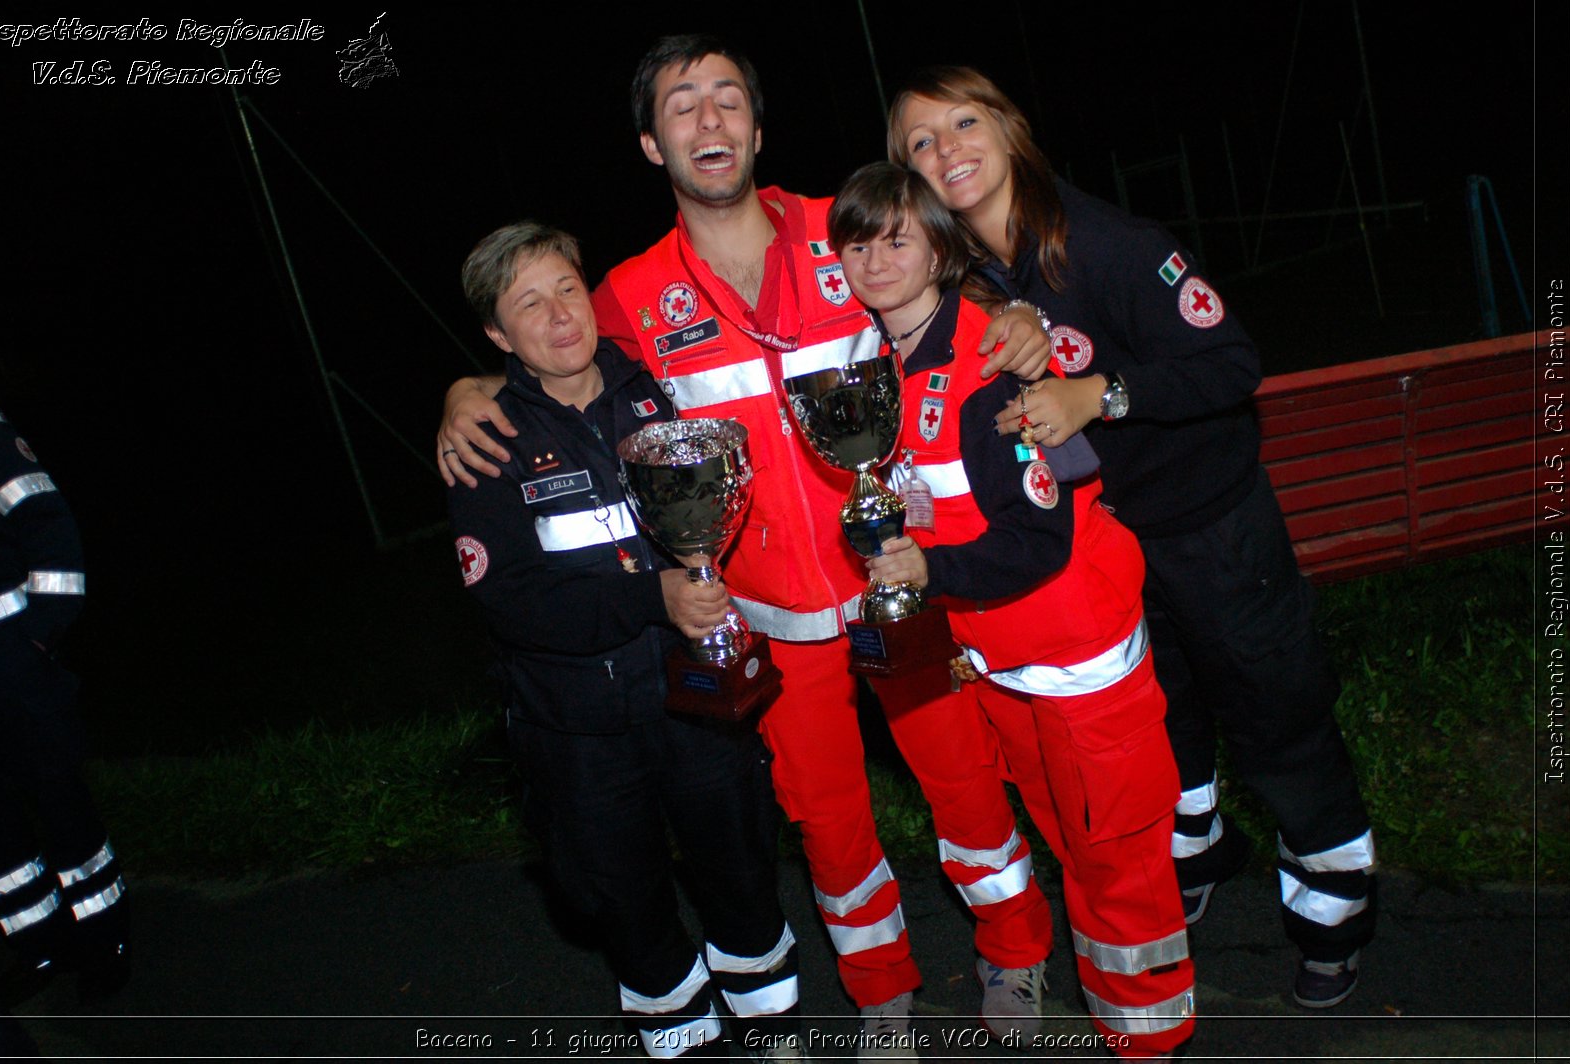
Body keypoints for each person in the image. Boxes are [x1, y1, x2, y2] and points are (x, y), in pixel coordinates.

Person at [437, 36, 1059, 1055]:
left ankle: (1014, 951)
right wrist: (460, 392)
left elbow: (959, 284)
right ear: (651, 143)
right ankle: (882, 992)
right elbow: (535, 354)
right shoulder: (630, 295)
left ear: (759, 129)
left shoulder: (847, 228)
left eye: (728, 99)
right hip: (766, 613)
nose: (709, 120)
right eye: (683, 106)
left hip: (900, 578)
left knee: (962, 779)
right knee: (827, 821)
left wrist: (1015, 310)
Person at [888, 67, 1376, 1009]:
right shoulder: (965, 273)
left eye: (963, 121)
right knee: (1168, 715)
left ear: (1011, 128)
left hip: (1210, 526)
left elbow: (1233, 360)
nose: (945, 148)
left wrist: (1100, 395)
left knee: (1273, 711)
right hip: (1109, 544)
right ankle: (1198, 851)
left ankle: (1333, 904)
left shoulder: (1111, 244)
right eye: (919, 140)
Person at [833, 161, 1193, 1059]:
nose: (876, 260)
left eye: (897, 239)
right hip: (999, 664)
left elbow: (1038, 540)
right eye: (857, 243)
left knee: (1118, 869)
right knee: (1073, 848)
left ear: (937, 247)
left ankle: (1151, 1039)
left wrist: (927, 566)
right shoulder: (876, 369)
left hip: (1077, 662)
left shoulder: (990, 356)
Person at [448, 221, 801, 1059]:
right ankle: (684, 1039)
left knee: (744, 874)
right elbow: (511, 601)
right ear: (498, 336)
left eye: (568, 289)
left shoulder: (660, 389)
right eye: (528, 304)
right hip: (578, 729)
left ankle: (776, 1031)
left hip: (696, 700)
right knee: (625, 905)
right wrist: (654, 597)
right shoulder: (486, 440)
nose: (560, 315)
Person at [0, 405, 130, 1007]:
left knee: (61, 799)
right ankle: (40, 947)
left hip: (11, 666)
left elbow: (46, 519)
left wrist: (40, 632)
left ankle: (106, 940)